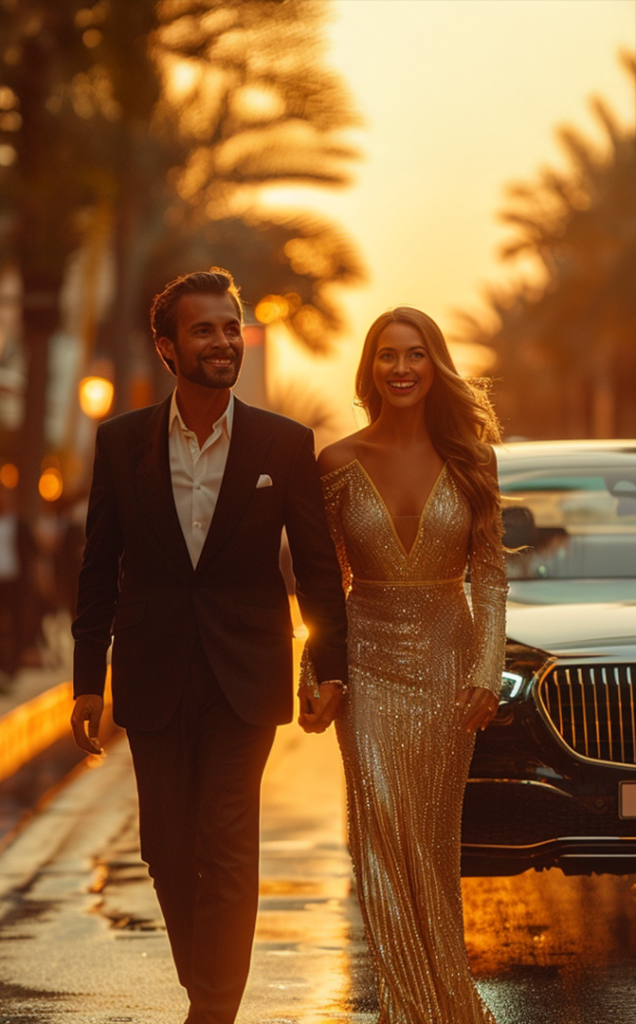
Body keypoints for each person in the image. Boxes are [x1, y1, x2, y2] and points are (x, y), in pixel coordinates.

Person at [70, 269, 348, 1024]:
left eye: (232, 328)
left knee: (226, 842)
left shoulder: (282, 443)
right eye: (206, 330)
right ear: (168, 347)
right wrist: (86, 680)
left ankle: (213, 1011)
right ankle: (210, 994)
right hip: (153, 673)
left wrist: (326, 669)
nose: (226, 342)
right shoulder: (122, 443)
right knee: (165, 847)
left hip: (245, 675)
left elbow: (318, 568)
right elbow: (99, 568)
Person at [302, 307, 507, 1024]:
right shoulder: (337, 463)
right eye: (387, 355)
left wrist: (487, 670)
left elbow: (490, 575)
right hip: (367, 666)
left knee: (431, 844)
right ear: (369, 370)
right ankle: (412, 1007)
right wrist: (314, 671)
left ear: (434, 365)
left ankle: (444, 1001)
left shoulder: (473, 461)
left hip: (452, 665)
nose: (401, 368)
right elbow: (322, 584)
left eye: (415, 355)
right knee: (384, 838)